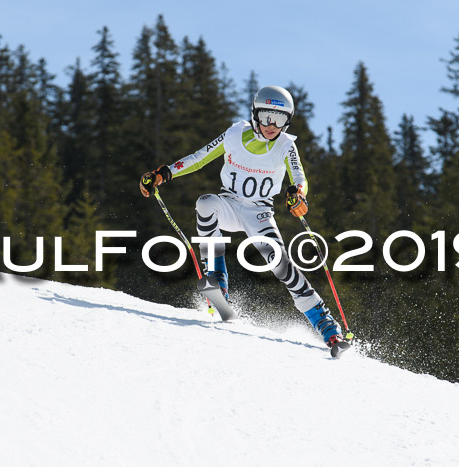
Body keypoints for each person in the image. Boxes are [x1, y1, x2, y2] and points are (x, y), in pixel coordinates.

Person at [139, 85, 343, 348]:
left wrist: (298, 195)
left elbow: (299, 177)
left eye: (280, 119)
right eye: (266, 116)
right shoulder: (236, 134)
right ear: (255, 114)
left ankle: (325, 324)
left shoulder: (285, 146)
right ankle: (218, 280)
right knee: (205, 204)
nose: (272, 125)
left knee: (280, 264)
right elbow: (200, 158)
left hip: (259, 214)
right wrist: (164, 173)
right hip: (230, 205)